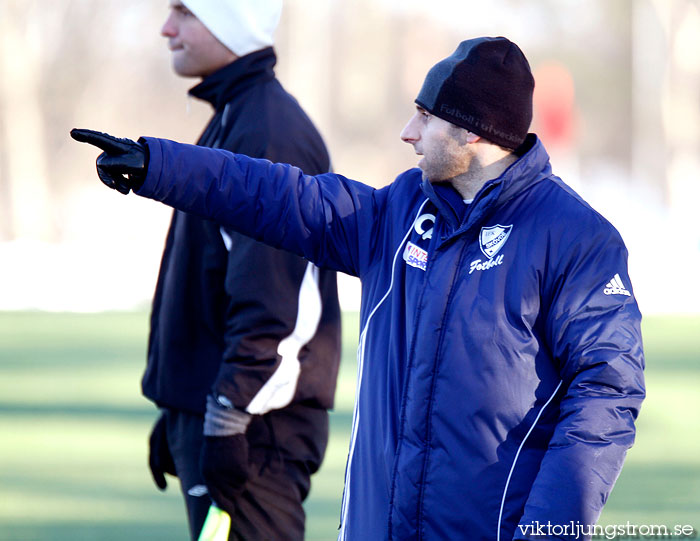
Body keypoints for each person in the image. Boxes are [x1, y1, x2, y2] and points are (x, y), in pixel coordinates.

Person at [72, 36, 646, 541]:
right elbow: (280, 196)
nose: (408, 132)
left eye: (424, 117)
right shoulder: (400, 211)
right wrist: (159, 166)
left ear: (470, 132)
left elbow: (607, 397)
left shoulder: (575, 239)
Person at [125, 1, 341, 540]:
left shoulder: (269, 134)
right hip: (223, 419)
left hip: (253, 435)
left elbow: (278, 308)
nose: (166, 27)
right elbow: (217, 281)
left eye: (186, 12)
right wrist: (180, 403)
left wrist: (225, 416)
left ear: (231, 20)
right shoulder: (234, 118)